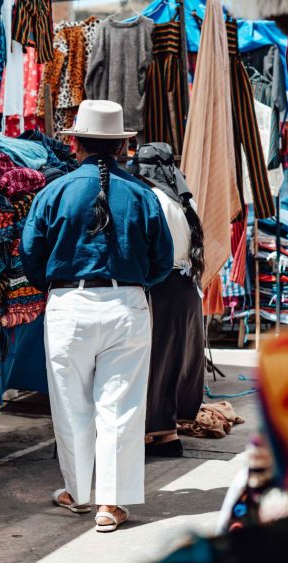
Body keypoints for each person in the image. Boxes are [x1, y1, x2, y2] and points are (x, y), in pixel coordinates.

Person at [21, 100, 174, 532]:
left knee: (71, 405)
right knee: (120, 406)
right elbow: (163, 261)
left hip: (69, 305)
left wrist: (57, 289)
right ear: (123, 146)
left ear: (75, 143)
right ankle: (111, 502)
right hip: (126, 304)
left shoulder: (53, 192)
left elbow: (31, 257)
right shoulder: (144, 195)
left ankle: (79, 492)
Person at [133, 143, 206, 458]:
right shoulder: (182, 202)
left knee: (155, 362)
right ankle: (168, 435)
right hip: (185, 289)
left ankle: (151, 433)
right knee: (175, 362)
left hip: (162, 288)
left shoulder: (155, 201)